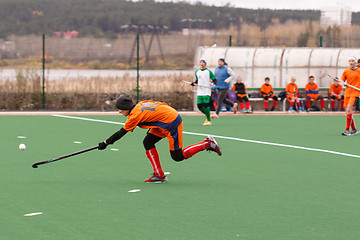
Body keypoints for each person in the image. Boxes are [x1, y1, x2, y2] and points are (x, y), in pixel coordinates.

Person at [98, 93, 222, 183]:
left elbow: (121, 133)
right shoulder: (139, 105)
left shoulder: (134, 115)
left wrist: (105, 143)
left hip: (171, 122)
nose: (119, 112)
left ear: (126, 108)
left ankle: (207, 143)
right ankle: (159, 175)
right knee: (148, 142)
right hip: (164, 119)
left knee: (177, 156)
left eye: (119, 109)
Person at [340, 56, 360, 135]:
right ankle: (354, 129)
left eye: (352, 61)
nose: (351, 62)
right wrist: (344, 83)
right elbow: (342, 80)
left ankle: (347, 130)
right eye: (350, 61)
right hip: (347, 92)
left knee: (349, 110)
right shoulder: (346, 71)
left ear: (355, 62)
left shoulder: (359, 70)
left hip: (355, 92)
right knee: (347, 112)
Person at [193, 58, 216, 125]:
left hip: (206, 91)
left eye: (203, 62)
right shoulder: (197, 71)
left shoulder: (208, 71)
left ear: (205, 64)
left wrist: (212, 83)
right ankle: (208, 115)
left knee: (206, 105)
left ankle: (208, 120)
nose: (202, 63)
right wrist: (193, 83)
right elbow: (197, 81)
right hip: (200, 91)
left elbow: (214, 79)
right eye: (201, 62)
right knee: (199, 106)